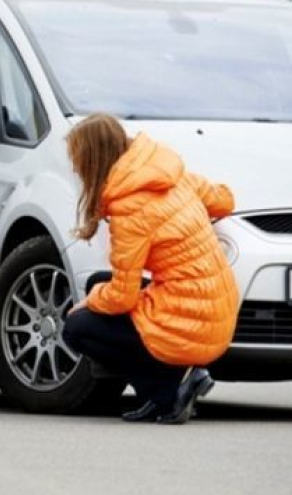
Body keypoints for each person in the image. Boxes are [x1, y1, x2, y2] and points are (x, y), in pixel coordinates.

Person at [61, 113, 239, 424]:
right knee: (96, 284)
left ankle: (167, 392)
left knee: (77, 327)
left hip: (192, 320)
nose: (75, 168)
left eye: (77, 159)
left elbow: (123, 297)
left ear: (94, 159)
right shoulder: (166, 174)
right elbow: (224, 200)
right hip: (217, 306)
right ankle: (167, 387)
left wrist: (85, 305)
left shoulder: (130, 207)